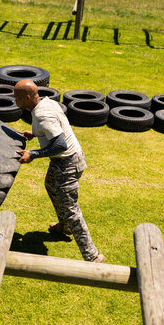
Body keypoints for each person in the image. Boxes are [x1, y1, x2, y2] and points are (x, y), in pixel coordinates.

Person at [13, 79, 105, 263]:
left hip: (68, 162)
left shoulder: (41, 116)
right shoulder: (45, 103)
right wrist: (37, 133)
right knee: (50, 185)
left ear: (28, 97)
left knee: (71, 209)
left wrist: (34, 154)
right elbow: (56, 125)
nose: (14, 99)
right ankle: (65, 226)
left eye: (17, 97)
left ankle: (93, 255)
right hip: (64, 160)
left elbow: (60, 144)